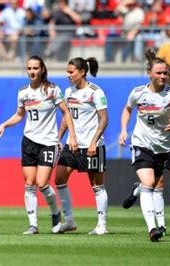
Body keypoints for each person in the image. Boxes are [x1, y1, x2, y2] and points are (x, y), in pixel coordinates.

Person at [0, 55, 75, 235]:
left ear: (42, 69)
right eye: (29, 68)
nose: (32, 71)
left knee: (42, 182)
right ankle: (33, 224)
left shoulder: (52, 90)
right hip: (29, 141)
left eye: (35, 68)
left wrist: (72, 137)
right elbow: (19, 115)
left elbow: (66, 113)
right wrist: (3, 125)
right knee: (29, 183)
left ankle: (55, 213)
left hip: (48, 142)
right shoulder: (23, 92)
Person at [118, 49, 170, 242]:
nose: (163, 76)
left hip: (166, 146)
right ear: (150, 73)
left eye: (165, 73)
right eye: (159, 73)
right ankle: (155, 228)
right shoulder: (138, 93)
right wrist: (124, 130)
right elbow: (127, 109)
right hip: (142, 144)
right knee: (151, 184)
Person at [53, 57, 109, 235]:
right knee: (59, 179)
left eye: (71, 72)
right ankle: (69, 220)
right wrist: (58, 139)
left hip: (91, 145)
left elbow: (104, 119)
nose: (67, 75)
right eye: (67, 71)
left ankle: (102, 225)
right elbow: (66, 118)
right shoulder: (68, 92)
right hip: (72, 144)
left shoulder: (95, 91)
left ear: (82, 72)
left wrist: (94, 141)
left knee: (96, 185)